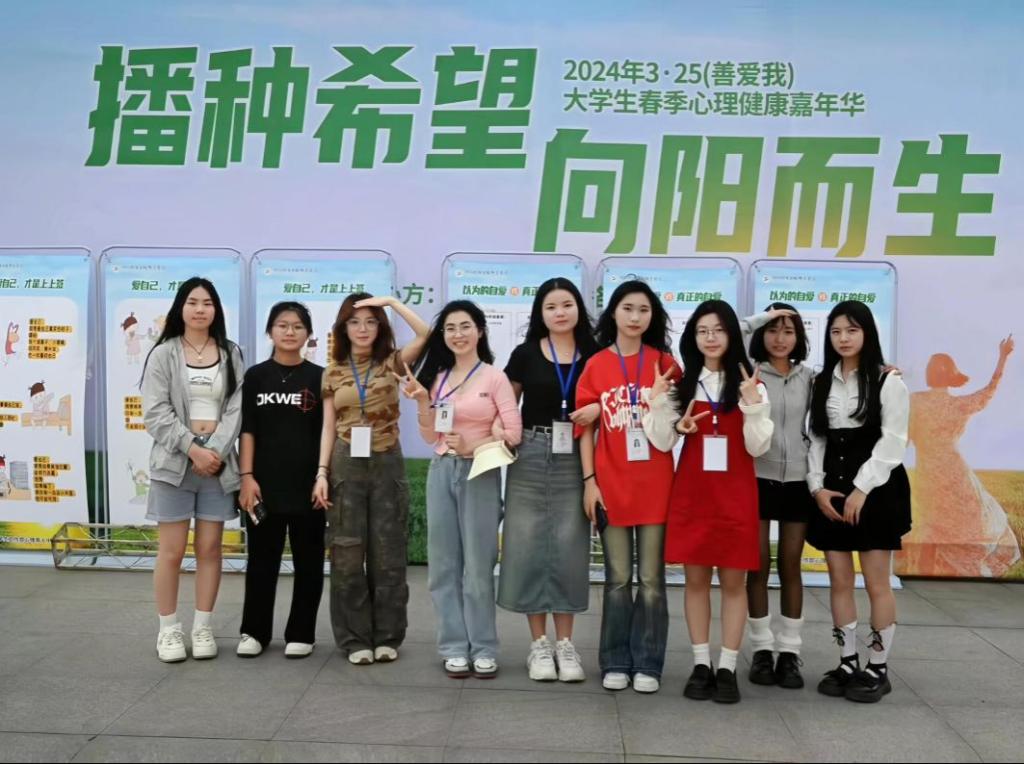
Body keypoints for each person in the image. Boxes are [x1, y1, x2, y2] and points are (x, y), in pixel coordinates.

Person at [643, 300, 772, 704]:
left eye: (718, 330)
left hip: (735, 496)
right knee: (696, 581)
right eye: (702, 331)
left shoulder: (749, 384)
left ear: (732, 334)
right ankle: (701, 664)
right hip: (694, 495)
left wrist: (753, 405)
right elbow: (662, 440)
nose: (710, 337)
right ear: (693, 337)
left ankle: (728, 667)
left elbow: (758, 446)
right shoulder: (683, 384)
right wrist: (660, 404)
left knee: (734, 584)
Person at [399, 300, 522, 679]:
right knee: (443, 567)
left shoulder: (495, 378)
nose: (458, 334)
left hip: (480, 472)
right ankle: (453, 646)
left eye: (465, 326)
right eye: (450, 328)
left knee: (479, 567)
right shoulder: (437, 377)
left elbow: (514, 433)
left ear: (480, 331)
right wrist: (423, 401)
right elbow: (429, 435)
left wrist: (475, 444)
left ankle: (483, 647)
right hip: (442, 470)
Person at [576, 280, 680, 694]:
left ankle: (649, 663)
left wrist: (658, 397)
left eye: (644, 310)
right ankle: (615, 660)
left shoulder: (666, 364)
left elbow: (675, 425)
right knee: (617, 579)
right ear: (614, 313)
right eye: (628, 308)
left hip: (656, 485)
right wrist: (590, 482)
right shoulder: (596, 365)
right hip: (611, 485)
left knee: (652, 580)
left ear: (653, 316)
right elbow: (585, 430)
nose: (636, 317)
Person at [314, 293, 430, 665]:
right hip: (345, 462)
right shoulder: (332, 371)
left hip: (387, 461)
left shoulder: (392, 362)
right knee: (347, 552)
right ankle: (354, 639)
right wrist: (321, 473)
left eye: (370, 321)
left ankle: (387, 636)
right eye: (354, 322)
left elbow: (425, 333)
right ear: (343, 328)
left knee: (388, 553)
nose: (362, 329)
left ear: (380, 327)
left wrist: (393, 303)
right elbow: (328, 427)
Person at [807, 301, 912, 703]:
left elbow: (893, 443)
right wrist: (817, 488)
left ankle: (878, 668)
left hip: (877, 490)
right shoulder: (821, 381)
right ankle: (848, 661)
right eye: (836, 331)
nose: (844, 338)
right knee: (838, 579)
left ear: (867, 333)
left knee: (876, 581)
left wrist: (862, 488)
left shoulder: (888, 381)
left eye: (852, 330)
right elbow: (816, 439)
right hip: (832, 490)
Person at [498, 278, 600, 683]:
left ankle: (566, 645)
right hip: (530, 452)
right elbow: (505, 404)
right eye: (551, 306)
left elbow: (609, 399)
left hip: (578, 453)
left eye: (567, 304)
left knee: (569, 545)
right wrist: (502, 434)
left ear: (578, 309)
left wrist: (597, 410)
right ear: (540, 313)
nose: (560, 312)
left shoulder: (595, 353)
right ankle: (538, 645)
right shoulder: (524, 354)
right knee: (527, 545)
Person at [141, 277, 243, 663]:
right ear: (180, 308)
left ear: (216, 310)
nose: (200, 309)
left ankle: (203, 627)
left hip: (217, 464)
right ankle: (168, 630)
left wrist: (213, 451)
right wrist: (192, 449)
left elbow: (237, 408)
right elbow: (155, 413)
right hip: (174, 464)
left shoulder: (231, 352)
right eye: (193, 302)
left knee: (210, 549)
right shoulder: (163, 354)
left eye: (207, 303)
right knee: (170, 551)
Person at [236, 302, 327, 659]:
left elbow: (327, 433)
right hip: (263, 486)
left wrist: (323, 476)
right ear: (270, 331)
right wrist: (246, 477)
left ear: (308, 334)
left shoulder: (320, 377)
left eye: (298, 326)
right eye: (282, 325)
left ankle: (301, 633)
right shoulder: (256, 376)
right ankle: (254, 632)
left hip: (308, 486)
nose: (290, 332)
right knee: (261, 561)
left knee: (309, 562)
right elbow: (247, 430)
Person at [741, 304, 815, 689]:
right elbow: (732, 331)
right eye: (772, 330)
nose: (780, 338)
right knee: (756, 564)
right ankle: (761, 651)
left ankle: (789, 652)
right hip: (757, 476)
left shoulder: (811, 377)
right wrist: (761, 317)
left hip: (799, 479)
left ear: (798, 337)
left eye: (788, 331)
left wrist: (885, 371)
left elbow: (855, 374)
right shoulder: (750, 373)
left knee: (790, 563)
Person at [905, 335, 1019, 577]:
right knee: (963, 524)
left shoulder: (915, 401)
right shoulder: (956, 405)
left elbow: (902, 435)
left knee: (932, 526)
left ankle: (927, 573)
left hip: (932, 475)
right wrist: (1002, 357)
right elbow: (990, 390)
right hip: (953, 474)